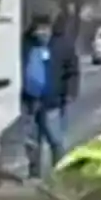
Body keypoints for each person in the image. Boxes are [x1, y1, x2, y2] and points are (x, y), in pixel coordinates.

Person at [21, 13, 80, 178]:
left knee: (55, 140)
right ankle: (34, 174)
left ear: (51, 29)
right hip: (29, 102)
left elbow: (73, 71)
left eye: (45, 29)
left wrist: (70, 92)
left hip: (52, 102)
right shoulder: (25, 44)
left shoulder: (62, 45)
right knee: (31, 142)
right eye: (38, 29)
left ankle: (60, 174)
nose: (42, 33)